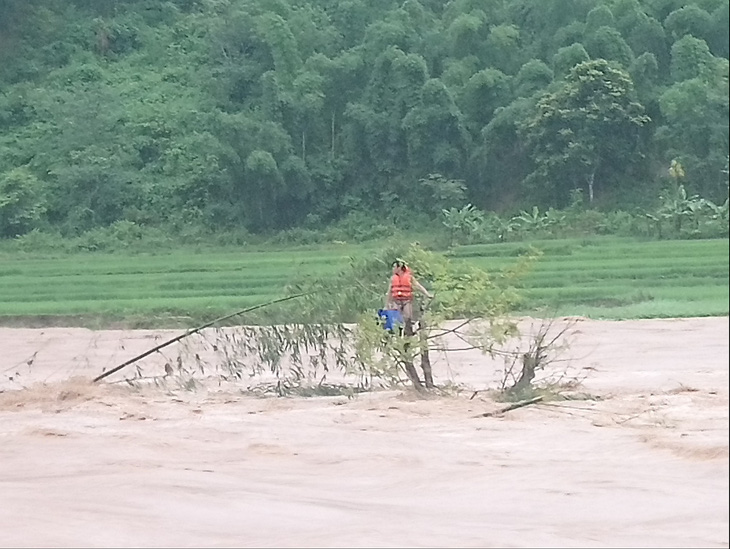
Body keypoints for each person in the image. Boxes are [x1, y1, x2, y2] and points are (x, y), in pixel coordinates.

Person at [384, 258, 433, 335]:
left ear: (399, 267)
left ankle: (408, 336)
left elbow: (418, 286)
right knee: (397, 320)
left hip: (406, 301)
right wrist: (386, 305)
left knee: (407, 318)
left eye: (394, 267)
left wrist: (427, 294)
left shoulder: (409, 277)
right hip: (396, 301)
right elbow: (389, 292)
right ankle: (398, 336)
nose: (393, 269)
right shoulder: (393, 278)